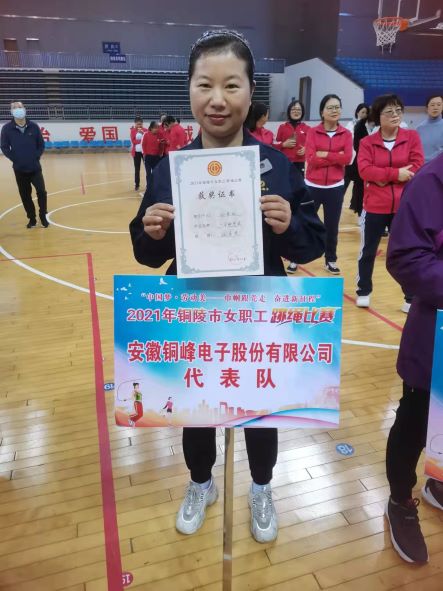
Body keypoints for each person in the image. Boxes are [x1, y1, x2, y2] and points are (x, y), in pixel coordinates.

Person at [130, 29, 325, 543]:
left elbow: (312, 245)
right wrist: (152, 231)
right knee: (196, 411)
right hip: (194, 313)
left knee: (261, 412)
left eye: (231, 85)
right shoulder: (168, 171)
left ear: (250, 91)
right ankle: (201, 481)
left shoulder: (278, 167)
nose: (217, 99)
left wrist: (290, 225)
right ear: (190, 90)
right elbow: (146, 253)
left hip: (260, 314)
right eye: (205, 85)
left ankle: (261, 487)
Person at [384, 151, 443, 564]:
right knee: (415, 422)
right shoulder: (432, 181)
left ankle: (438, 480)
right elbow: (406, 257)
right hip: (436, 336)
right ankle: (400, 500)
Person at [356, 94, 424, 310]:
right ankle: (363, 290)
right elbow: (365, 170)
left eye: (398, 110)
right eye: (389, 111)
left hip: (404, 207)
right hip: (374, 206)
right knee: (368, 250)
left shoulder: (411, 137)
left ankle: (410, 297)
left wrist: (382, 177)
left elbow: (417, 164)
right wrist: (396, 174)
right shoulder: (367, 142)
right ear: (378, 116)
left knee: (405, 252)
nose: (395, 115)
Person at [305, 94, 353, 274]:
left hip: (335, 187)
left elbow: (347, 158)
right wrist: (336, 156)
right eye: (330, 107)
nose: (334, 110)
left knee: (332, 227)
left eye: (337, 107)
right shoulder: (312, 132)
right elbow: (311, 158)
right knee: (305, 223)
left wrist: (325, 154)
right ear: (322, 112)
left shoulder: (346, 134)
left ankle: (330, 259)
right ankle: (296, 257)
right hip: (313, 185)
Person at [0, 100, 49, 228]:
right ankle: (32, 218)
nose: (18, 109)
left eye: (20, 107)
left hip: (35, 167)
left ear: (24, 109)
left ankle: (43, 215)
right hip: (19, 169)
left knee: (42, 192)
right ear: (11, 111)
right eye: (15, 107)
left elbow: (41, 144)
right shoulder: (7, 129)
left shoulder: (34, 126)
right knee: (25, 195)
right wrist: (15, 159)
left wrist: (36, 156)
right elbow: (4, 147)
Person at [276, 100, 310, 273]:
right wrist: (283, 144)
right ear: (289, 111)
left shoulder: (307, 128)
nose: (296, 111)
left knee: (297, 209)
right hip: (285, 167)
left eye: (299, 109)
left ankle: (294, 258)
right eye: (293, 109)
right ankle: (283, 250)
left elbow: (313, 147)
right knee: (285, 205)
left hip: (300, 167)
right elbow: (275, 146)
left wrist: (307, 150)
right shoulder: (282, 128)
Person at [349, 111, 376, 221]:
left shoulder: (379, 127)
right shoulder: (360, 126)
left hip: (376, 164)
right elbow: (356, 145)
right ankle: (360, 213)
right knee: (359, 188)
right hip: (360, 162)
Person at [344, 103, 369, 193]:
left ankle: (355, 202)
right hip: (351, 157)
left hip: (362, 159)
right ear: (357, 112)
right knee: (345, 182)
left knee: (358, 186)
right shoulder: (350, 125)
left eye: (366, 113)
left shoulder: (368, 126)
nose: (364, 115)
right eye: (362, 112)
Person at [416, 95, 443, 163]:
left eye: (439, 105)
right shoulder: (419, 128)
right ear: (427, 108)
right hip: (422, 166)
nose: (435, 108)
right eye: (432, 105)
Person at [141, 121, 161, 190]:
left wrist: (160, 153)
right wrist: (144, 154)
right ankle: (149, 187)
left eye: (157, 128)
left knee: (156, 173)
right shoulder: (146, 134)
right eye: (155, 128)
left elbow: (160, 146)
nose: (156, 129)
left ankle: (156, 186)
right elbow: (143, 145)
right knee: (148, 173)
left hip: (156, 157)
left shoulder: (159, 135)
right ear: (151, 128)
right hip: (148, 157)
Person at [130, 116, 148, 191]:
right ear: (135, 124)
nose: (139, 125)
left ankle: (148, 184)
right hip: (136, 153)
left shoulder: (145, 130)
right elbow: (133, 141)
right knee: (137, 169)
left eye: (140, 124)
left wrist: (143, 134)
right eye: (138, 124)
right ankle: (137, 184)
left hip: (144, 152)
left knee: (147, 169)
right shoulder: (133, 131)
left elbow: (147, 139)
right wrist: (141, 141)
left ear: (142, 124)